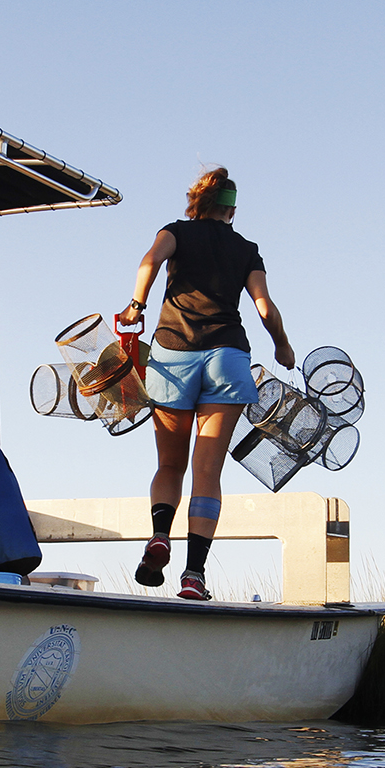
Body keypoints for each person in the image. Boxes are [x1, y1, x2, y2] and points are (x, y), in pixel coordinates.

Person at [119, 167, 294, 600]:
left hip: (173, 356)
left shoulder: (175, 232)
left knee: (170, 466)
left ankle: (160, 534)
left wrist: (135, 306)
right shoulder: (246, 249)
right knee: (207, 472)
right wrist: (283, 347)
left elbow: (149, 262)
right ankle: (193, 575)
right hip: (227, 358)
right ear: (231, 209)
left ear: (197, 203)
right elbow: (265, 307)